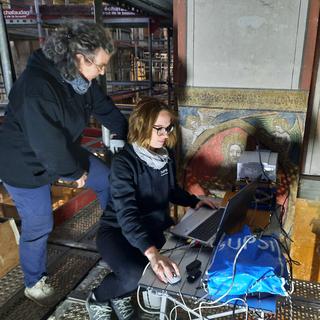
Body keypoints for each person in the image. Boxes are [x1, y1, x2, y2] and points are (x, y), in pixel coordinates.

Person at [0, 21, 127, 305]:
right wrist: (74, 172)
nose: (103, 72)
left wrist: (126, 137)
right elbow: (46, 144)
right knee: (39, 223)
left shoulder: (81, 80)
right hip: (23, 163)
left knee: (107, 179)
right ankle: (33, 281)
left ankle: (114, 239)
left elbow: (105, 109)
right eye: (101, 65)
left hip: (60, 151)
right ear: (80, 58)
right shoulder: (37, 86)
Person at [86, 97, 216, 320]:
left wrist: (195, 201)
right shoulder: (124, 163)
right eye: (159, 129)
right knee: (134, 275)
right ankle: (98, 298)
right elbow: (127, 214)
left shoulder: (165, 157)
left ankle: (120, 296)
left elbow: (171, 190)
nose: (166, 135)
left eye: (168, 128)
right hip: (118, 230)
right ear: (142, 126)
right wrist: (153, 253)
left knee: (163, 271)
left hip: (150, 229)